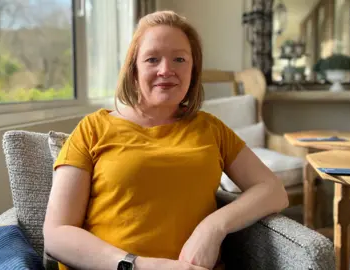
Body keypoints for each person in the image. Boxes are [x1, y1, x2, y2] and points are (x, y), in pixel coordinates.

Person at [43, 10, 289, 270]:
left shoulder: (211, 129)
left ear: (193, 70)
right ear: (133, 69)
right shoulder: (92, 128)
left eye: (179, 59)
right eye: (152, 59)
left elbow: (273, 191)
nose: (166, 70)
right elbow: (57, 234)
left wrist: (213, 226)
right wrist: (137, 265)